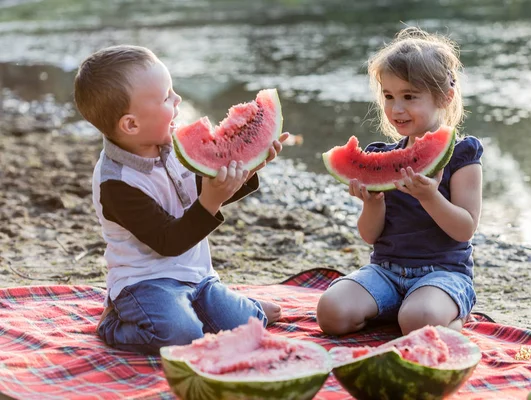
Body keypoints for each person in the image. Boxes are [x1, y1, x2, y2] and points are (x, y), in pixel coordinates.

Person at [73, 45, 286, 355]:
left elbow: (207, 189)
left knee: (250, 322)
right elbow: (169, 240)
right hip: (145, 283)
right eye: (166, 97)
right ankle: (113, 322)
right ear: (131, 124)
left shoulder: (172, 145)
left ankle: (236, 307)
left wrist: (249, 165)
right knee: (180, 335)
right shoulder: (116, 183)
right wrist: (210, 202)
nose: (178, 100)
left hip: (198, 277)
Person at [317, 28, 483, 337]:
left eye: (409, 96)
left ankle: (455, 317)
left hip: (444, 275)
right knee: (330, 312)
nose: (396, 108)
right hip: (386, 272)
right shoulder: (380, 156)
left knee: (418, 319)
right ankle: (396, 311)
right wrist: (371, 203)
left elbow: (465, 228)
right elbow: (370, 235)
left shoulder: (463, 155)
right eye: (389, 96)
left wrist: (430, 197)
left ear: (444, 97)